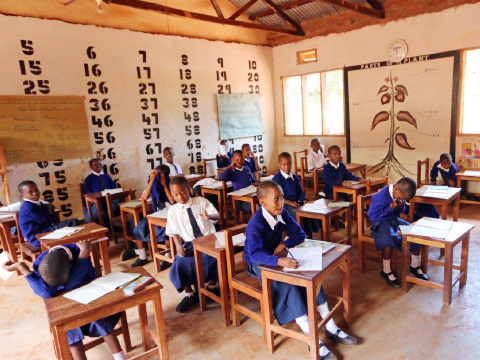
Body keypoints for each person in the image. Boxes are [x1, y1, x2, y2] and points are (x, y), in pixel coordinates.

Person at [245, 181, 356, 360]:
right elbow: (255, 255)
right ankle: (312, 339)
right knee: (289, 286)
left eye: (282, 198)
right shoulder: (255, 224)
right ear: (262, 202)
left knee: (311, 276)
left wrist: (283, 244)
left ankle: (331, 327)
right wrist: (278, 260)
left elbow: (300, 234)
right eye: (276, 199)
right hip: (260, 263)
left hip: (279, 255)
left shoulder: (281, 213)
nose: (281, 203)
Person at [2, 241, 126, 360]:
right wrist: (22, 268)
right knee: (70, 330)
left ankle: (119, 357)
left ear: (71, 265)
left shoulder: (79, 250)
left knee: (99, 318)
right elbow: (45, 292)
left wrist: (83, 255)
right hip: (66, 306)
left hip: (89, 298)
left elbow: (74, 283)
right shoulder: (41, 263)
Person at [166, 177, 220, 313]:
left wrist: (210, 217)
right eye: (176, 195)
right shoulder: (172, 211)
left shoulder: (200, 201)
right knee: (180, 263)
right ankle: (189, 294)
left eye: (183, 193)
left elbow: (217, 216)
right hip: (190, 243)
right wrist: (178, 246)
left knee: (216, 258)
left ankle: (213, 287)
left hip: (209, 239)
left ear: (189, 189)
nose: (180, 197)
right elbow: (173, 232)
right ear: (172, 195)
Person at [367, 177, 429, 288]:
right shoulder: (380, 196)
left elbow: (400, 211)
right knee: (388, 240)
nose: (402, 199)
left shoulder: (397, 194)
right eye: (401, 198)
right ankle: (386, 270)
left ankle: (415, 265)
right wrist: (389, 210)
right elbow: (372, 215)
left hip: (393, 221)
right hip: (380, 223)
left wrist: (401, 207)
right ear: (396, 188)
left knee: (415, 232)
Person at [124, 165, 174, 268]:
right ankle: (142, 256)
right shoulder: (154, 186)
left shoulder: (171, 184)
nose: (155, 177)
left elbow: (172, 202)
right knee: (138, 229)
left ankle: (167, 255)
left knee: (167, 232)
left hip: (170, 215)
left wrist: (164, 186)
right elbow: (145, 197)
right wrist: (151, 181)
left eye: (157, 175)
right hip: (156, 215)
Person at [272, 152, 320, 238]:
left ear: (291, 163)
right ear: (279, 164)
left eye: (289, 164)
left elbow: (300, 192)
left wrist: (304, 200)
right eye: (284, 165)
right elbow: (276, 197)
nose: (287, 167)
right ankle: (298, 235)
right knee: (296, 214)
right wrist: (291, 203)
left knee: (310, 213)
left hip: (296, 203)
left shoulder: (294, 177)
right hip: (283, 205)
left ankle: (308, 235)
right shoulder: (277, 179)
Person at [18, 180, 77, 248]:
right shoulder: (29, 207)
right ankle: (73, 247)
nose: (35, 193)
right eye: (30, 192)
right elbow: (47, 220)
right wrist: (50, 214)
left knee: (70, 224)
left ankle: (71, 246)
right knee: (73, 222)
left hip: (45, 231)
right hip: (38, 238)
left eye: (36, 190)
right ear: (23, 196)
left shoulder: (36, 203)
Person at [83, 158, 119, 223]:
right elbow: (88, 192)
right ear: (91, 167)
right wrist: (97, 196)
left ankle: (114, 221)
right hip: (97, 200)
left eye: (99, 164)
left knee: (118, 201)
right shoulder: (89, 178)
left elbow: (112, 187)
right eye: (95, 165)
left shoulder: (106, 176)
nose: (98, 166)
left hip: (109, 198)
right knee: (97, 207)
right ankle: (103, 222)